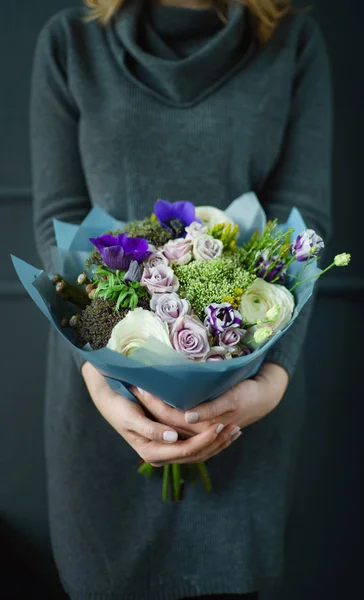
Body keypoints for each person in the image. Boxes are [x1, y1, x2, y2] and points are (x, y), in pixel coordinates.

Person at [30, 0, 332, 598]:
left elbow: (304, 224)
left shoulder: (293, 40)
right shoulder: (70, 41)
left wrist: (270, 381)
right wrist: (102, 378)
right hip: (102, 405)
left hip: (247, 407)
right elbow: (60, 221)